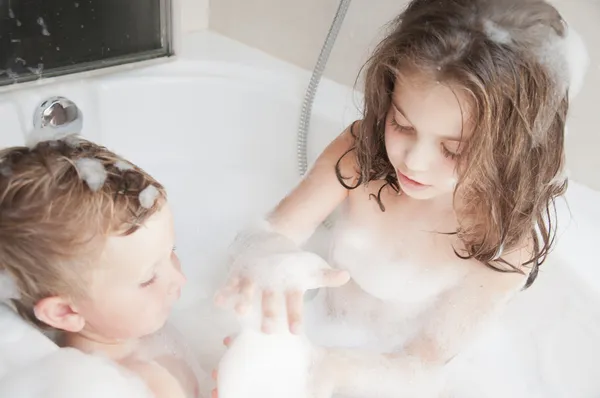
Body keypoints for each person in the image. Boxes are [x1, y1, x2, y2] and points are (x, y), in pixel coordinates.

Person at [214, 0, 584, 396]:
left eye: (453, 150)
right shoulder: (360, 154)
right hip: (328, 331)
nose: (414, 161)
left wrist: (332, 368)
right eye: (402, 124)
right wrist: (268, 258)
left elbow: (426, 361)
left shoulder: (505, 236)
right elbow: (268, 232)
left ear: (510, 149)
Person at [0, 133, 200, 398]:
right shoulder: (120, 388)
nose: (179, 279)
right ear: (64, 311)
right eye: (149, 277)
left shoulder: (130, 327)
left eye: (172, 251)